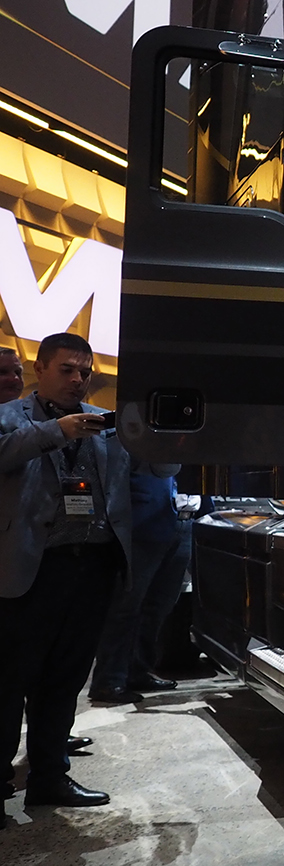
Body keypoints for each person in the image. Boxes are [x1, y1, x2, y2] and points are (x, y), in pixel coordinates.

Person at [0, 333, 131, 810]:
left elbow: (149, 473)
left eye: (85, 372)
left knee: (66, 678)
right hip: (31, 570)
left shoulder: (106, 425)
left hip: (91, 567)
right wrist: (57, 431)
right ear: (39, 369)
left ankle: (50, 778)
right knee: (9, 682)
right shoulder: (9, 417)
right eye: (67, 370)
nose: (78, 379)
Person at [88, 464, 189, 704]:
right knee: (126, 605)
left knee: (160, 605)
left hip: (184, 522)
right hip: (143, 521)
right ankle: (108, 681)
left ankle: (137, 671)